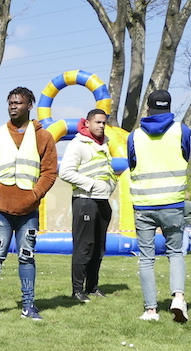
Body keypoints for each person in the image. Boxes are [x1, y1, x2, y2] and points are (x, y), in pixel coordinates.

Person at [0, 86, 59, 319]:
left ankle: (28, 305)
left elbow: (50, 171)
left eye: (18, 103)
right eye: (11, 103)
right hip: (1, 209)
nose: (13, 107)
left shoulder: (43, 137)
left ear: (29, 106)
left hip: (29, 210)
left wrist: (35, 194)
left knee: (27, 256)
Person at [127, 89, 191, 323]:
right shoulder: (181, 131)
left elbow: (132, 163)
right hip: (173, 202)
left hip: (144, 204)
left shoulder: (134, 136)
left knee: (146, 258)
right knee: (175, 253)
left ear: (148, 108)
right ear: (169, 107)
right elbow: (185, 156)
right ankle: (178, 297)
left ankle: (151, 310)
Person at [58, 108, 116, 301]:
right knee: (84, 246)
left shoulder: (105, 143)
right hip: (85, 201)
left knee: (99, 247)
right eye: (98, 122)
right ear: (88, 123)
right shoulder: (77, 144)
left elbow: (106, 171)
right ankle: (77, 290)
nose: (101, 126)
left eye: (104, 122)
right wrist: (92, 185)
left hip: (103, 201)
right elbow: (65, 172)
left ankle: (92, 287)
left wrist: (109, 186)